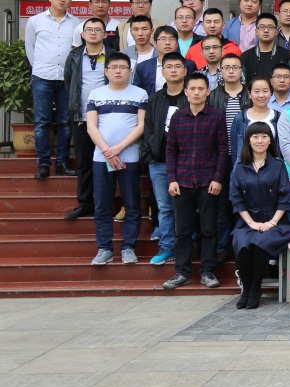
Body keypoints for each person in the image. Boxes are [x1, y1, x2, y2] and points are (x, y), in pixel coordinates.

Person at [163, 73, 229, 290]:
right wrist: (172, 179)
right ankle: (182, 272)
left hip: (208, 181)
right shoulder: (177, 118)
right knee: (182, 230)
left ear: (208, 92)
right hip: (182, 181)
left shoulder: (216, 117)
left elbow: (222, 150)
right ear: (186, 92)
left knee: (209, 229)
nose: (197, 93)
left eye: (201, 89)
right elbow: (171, 150)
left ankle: (207, 271)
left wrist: (217, 178)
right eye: (192, 89)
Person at [85, 52, 147, 267]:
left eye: (123, 67)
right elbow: (91, 126)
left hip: (129, 157)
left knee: (132, 203)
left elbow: (141, 125)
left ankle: (129, 247)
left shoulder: (140, 94)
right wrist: (106, 151)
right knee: (102, 204)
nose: (118, 71)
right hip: (101, 158)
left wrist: (119, 148)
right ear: (106, 71)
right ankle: (104, 248)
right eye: (113, 67)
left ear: (130, 71)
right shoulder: (96, 94)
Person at [229, 122, 290, 309]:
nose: (260, 140)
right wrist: (251, 223)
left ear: (270, 140)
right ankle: (246, 290)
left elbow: (285, 197)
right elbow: (236, 199)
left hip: (276, 221)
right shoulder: (241, 167)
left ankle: (255, 290)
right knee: (242, 243)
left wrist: (272, 222)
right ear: (248, 140)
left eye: (264, 136)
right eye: (255, 136)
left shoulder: (278, 165)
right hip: (247, 221)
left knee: (259, 243)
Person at [140, 52, 190, 267]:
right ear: (162, 71)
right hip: (159, 161)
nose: (173, 70)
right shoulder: (155, 99)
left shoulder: (191, 96)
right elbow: (148, 129)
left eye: (177, 66)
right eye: (169, 67)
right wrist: (149, 154)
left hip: (187, 162)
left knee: (186, 206)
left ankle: (185, 246)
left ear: (185, 71)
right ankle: (167, 246)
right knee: (164, 207)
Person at [25, 0, 79, 179]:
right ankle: (43, 164)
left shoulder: (76, 22)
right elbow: (30, 48)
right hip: (42, 77)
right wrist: (39, 68)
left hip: (66, 79)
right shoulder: (35, 21)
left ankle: (62, 162)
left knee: (65, 122)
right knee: (42, 121)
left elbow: (77, 50)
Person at [62, 18, 112, 220]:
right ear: (82, 35)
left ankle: (106, 203)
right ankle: (85, 203)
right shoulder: (74, 56)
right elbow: (69, 81)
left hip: (108, 118)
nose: (93, 32)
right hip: (81, 117)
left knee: (108, 160)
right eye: (89, 29)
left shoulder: (113, 56)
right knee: (84, 162)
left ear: (105, 34)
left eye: (97, 29)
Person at [229, 77, 280, 164]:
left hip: (272, 167)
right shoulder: (240, 118)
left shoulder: (279, 117)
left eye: (265, 91)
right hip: (245, 168)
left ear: (271, 93)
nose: (261, 95)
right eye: (256, 91)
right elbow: (234, 150)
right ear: (249, 94)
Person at [241, 13, 290, 82]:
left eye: (270, 27)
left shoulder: (286, 55)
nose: (266, 30)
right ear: (256, 32)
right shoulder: (245, 56)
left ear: (276, 32)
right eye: (262, 27)